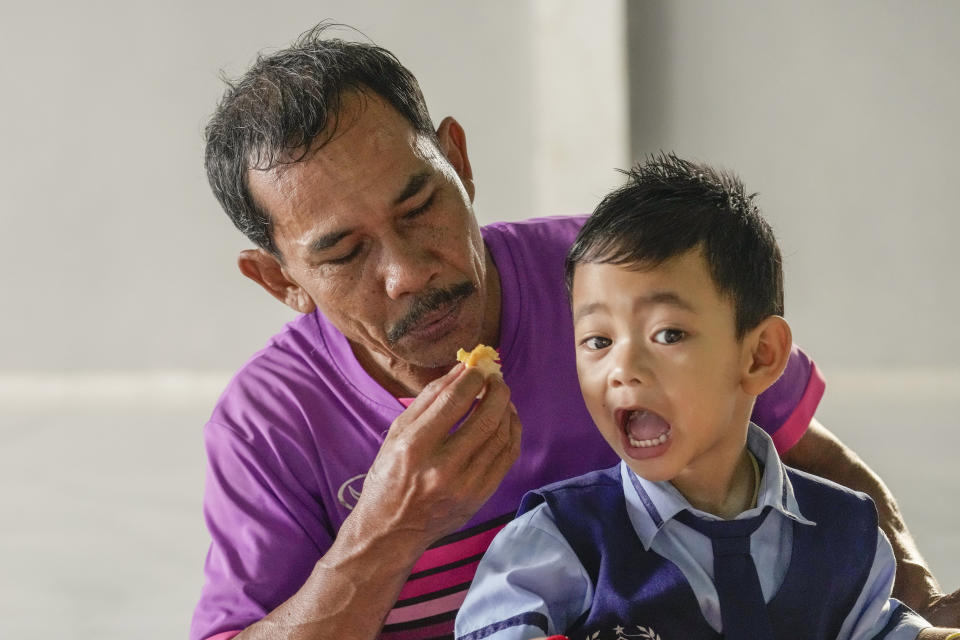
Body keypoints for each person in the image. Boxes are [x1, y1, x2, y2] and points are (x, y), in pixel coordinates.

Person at [191, 24, 958, 640]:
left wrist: (921, 602)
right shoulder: (267, 426)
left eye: (420, 203)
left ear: (459, 158)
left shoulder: (605, 279)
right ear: (281, 280)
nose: (409, 272)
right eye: (345, 252)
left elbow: (804, 455)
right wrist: (388, 531)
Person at [453, 154, 958, 640]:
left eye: (668, 334)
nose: (623, 369)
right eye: (598, 341)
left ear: (760, 355)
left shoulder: (849, 532)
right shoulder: (553, 541)